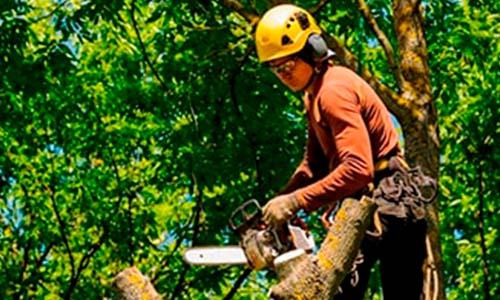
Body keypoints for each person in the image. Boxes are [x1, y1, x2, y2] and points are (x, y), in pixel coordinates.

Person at [255, 4, 429, 300]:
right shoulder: (315, 96)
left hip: (389, 201)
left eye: (287, 65)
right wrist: (281, 204)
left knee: (331, 292)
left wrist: (296, 200)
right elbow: (314, 165)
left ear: (312, 50)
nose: (283, 75)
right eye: (275, 69)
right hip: (368, 202)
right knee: (328, 291)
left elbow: (358, 168)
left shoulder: (334, 91)